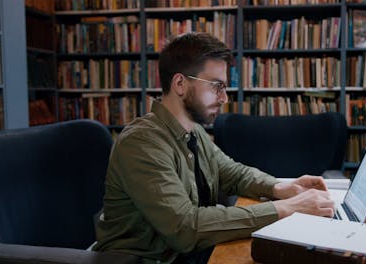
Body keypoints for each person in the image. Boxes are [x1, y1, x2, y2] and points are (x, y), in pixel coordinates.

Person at [93, 32, 335, 264]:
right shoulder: (142, 143)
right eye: (216, 86)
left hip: (192, 253)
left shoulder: (193, 130)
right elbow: (185, 228)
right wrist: (286, 208)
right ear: (180, 84)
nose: (224, 98)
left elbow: (232, 172)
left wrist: (281, 187)